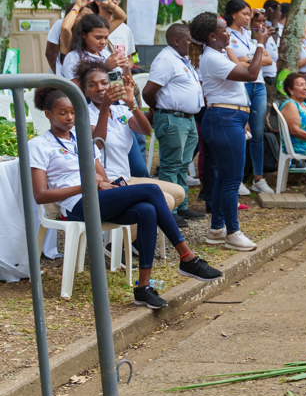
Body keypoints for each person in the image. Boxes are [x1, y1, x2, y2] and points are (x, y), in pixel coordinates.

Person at [29, 86, 221, 308]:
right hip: (77, 205)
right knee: (152, 190)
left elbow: (100, 175)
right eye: (63, 112)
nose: (70, 117)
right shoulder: (39, 145)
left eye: (73, 111)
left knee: (147, 210)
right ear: (48, 115)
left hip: (99, 198)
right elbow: (41, 195)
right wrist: (86, 187)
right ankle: (187, 257)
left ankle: (143, 288)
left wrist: (105, 184)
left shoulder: (82, 140)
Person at [76, 61, 187, 223]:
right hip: (109, 182)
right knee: (166, 200)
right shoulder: (85, 114)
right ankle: (122, 241)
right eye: (92, 85)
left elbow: (146, 131)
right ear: (85, 92)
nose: (100, 88)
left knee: (178, 193)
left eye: (104, 83)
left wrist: (131, 103)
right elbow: (97, 144)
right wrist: (105, 108)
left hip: (126, 178)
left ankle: (134, 233)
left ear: (112, 85)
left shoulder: (120, 110)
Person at [189, 11, 263, 251]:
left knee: (225, 178)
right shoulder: (213, 58)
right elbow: (252, 74)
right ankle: (233, 232)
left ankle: (217, 229)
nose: (228, 31)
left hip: (229, 118)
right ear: (212, 36)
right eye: (223, 29)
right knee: (232, 181)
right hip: (224, 119)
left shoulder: (216, 54)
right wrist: (260, 45)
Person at [143, 23, 205, 222]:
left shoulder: (183, 59)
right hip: (172, 117)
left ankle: (182, 205)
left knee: (182, 165)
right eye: (190, 40)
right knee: (170, 166)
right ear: (176, 40)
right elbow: (148, 92)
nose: (193, 44)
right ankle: (169, 210)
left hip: (187, 119)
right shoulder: (166, 59)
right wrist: (159, 110)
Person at [224, 0, 273, 194]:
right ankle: (238, 178)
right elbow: (233, 64)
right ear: (233, 14)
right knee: (241, 133)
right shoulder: (226, 35)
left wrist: (248, 59)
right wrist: (254, 59)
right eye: (245, 14)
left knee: (258, 134)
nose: (248, 18)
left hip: (258, 85)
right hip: (240, 85)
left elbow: (268, 59)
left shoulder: (252, 36)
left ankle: (258, 179)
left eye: (249, 14)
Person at [58, 12, 131, 83]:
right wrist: (105, 67)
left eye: (106, 38)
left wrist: (125, 68)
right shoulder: (73, 57)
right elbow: (76, 91)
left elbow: (119, 83)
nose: (103, 42)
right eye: (98, 38)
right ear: (84, 34)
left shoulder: (106, 54)